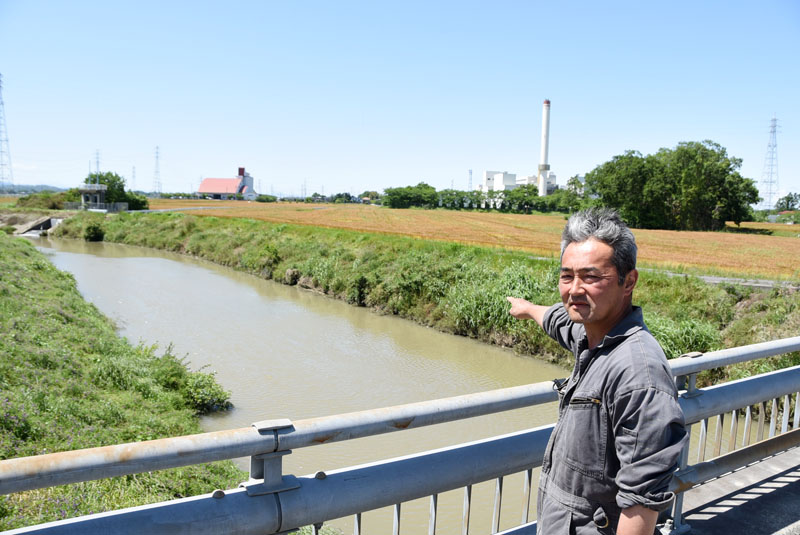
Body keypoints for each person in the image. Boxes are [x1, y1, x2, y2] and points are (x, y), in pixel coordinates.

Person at [507, 207, 686, 535]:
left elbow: (641, 502)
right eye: (566, 276)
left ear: (628, 281)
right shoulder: (593, 335)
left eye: (591, 277)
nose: (574, 290)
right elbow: (559, 320)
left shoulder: (638, 374)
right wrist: (528, 309)